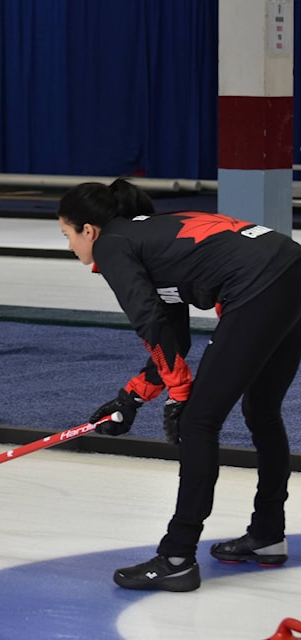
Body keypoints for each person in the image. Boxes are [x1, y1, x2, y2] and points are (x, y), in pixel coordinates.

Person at [58, 178, 301, 592]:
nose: (69, 247)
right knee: (260, 410)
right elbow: (173, 335)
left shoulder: (112, 245)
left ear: (89, 231)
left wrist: (182, 396)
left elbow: (148, 322)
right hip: (291, 268)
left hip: (260, 285)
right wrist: (131, 398)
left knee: (198, 424)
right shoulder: (149, 235)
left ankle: (176, 557)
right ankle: (267, 535)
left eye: (67, 235)